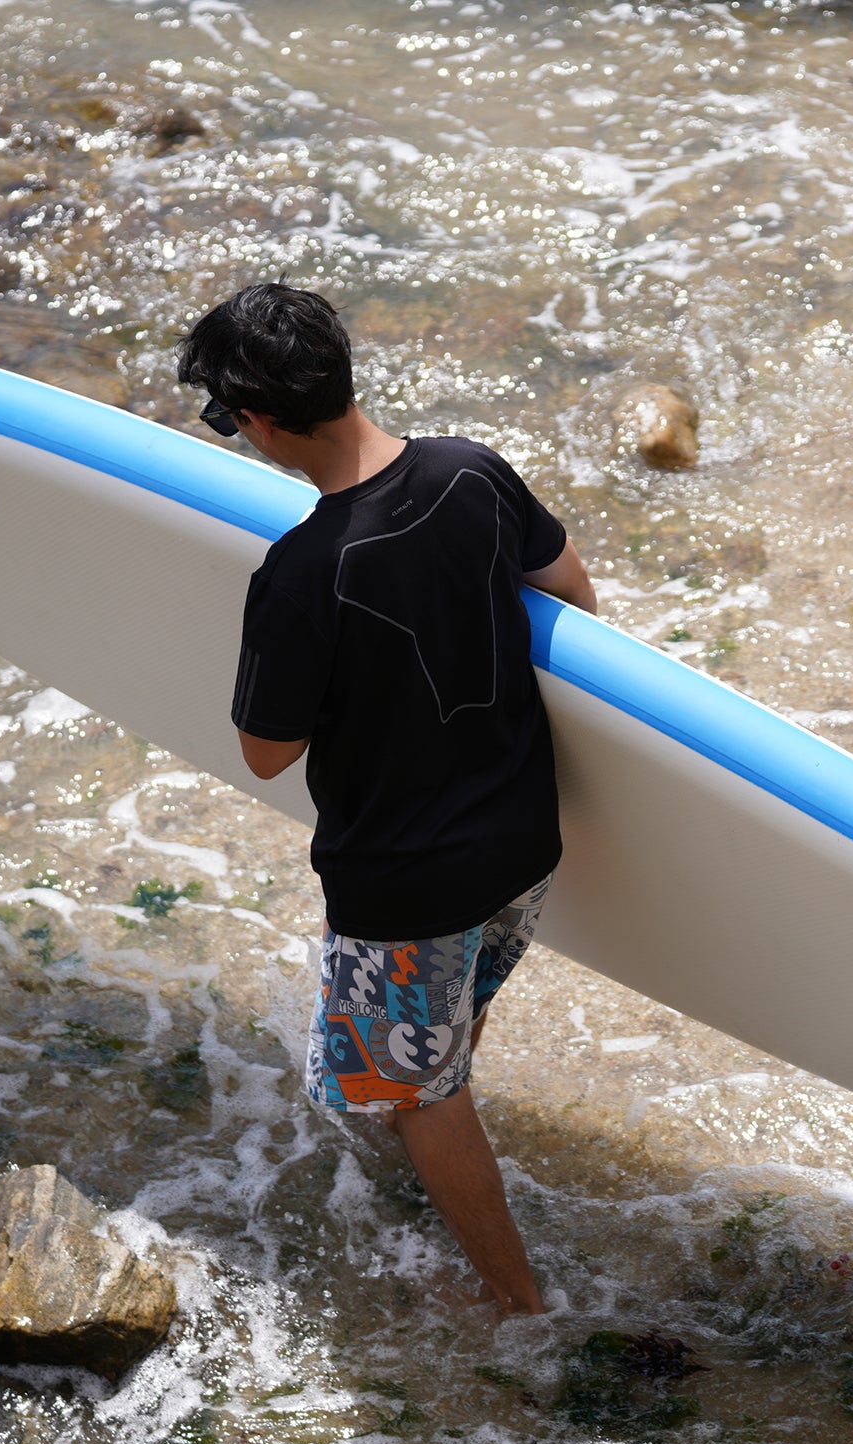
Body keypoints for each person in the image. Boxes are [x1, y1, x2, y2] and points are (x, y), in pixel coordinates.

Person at [176, 282, 596, 1315]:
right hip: (522, 843)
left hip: (405, 884)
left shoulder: (301, 571)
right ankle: (443, 1165)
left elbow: (267, 751)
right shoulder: (472, 469)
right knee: (445, 1039)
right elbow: (576, 595)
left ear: (262, 419)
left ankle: (517, 1303)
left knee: (415, 1094)